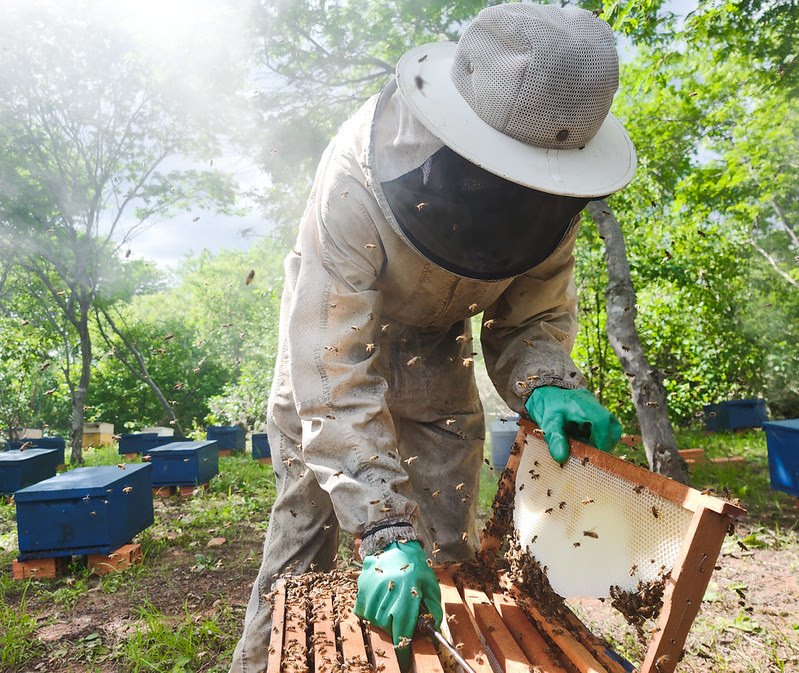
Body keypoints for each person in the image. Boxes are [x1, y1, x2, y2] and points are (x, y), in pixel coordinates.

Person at [230, 3, 635, 671]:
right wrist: (382, 527)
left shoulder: (550, 197)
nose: (521, 194)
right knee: (305, 530)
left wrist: (545, 380)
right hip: (326, 343)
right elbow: (330, 368)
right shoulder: (354, 176)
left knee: (446, 544)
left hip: (438, 349)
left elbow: (531, 317)